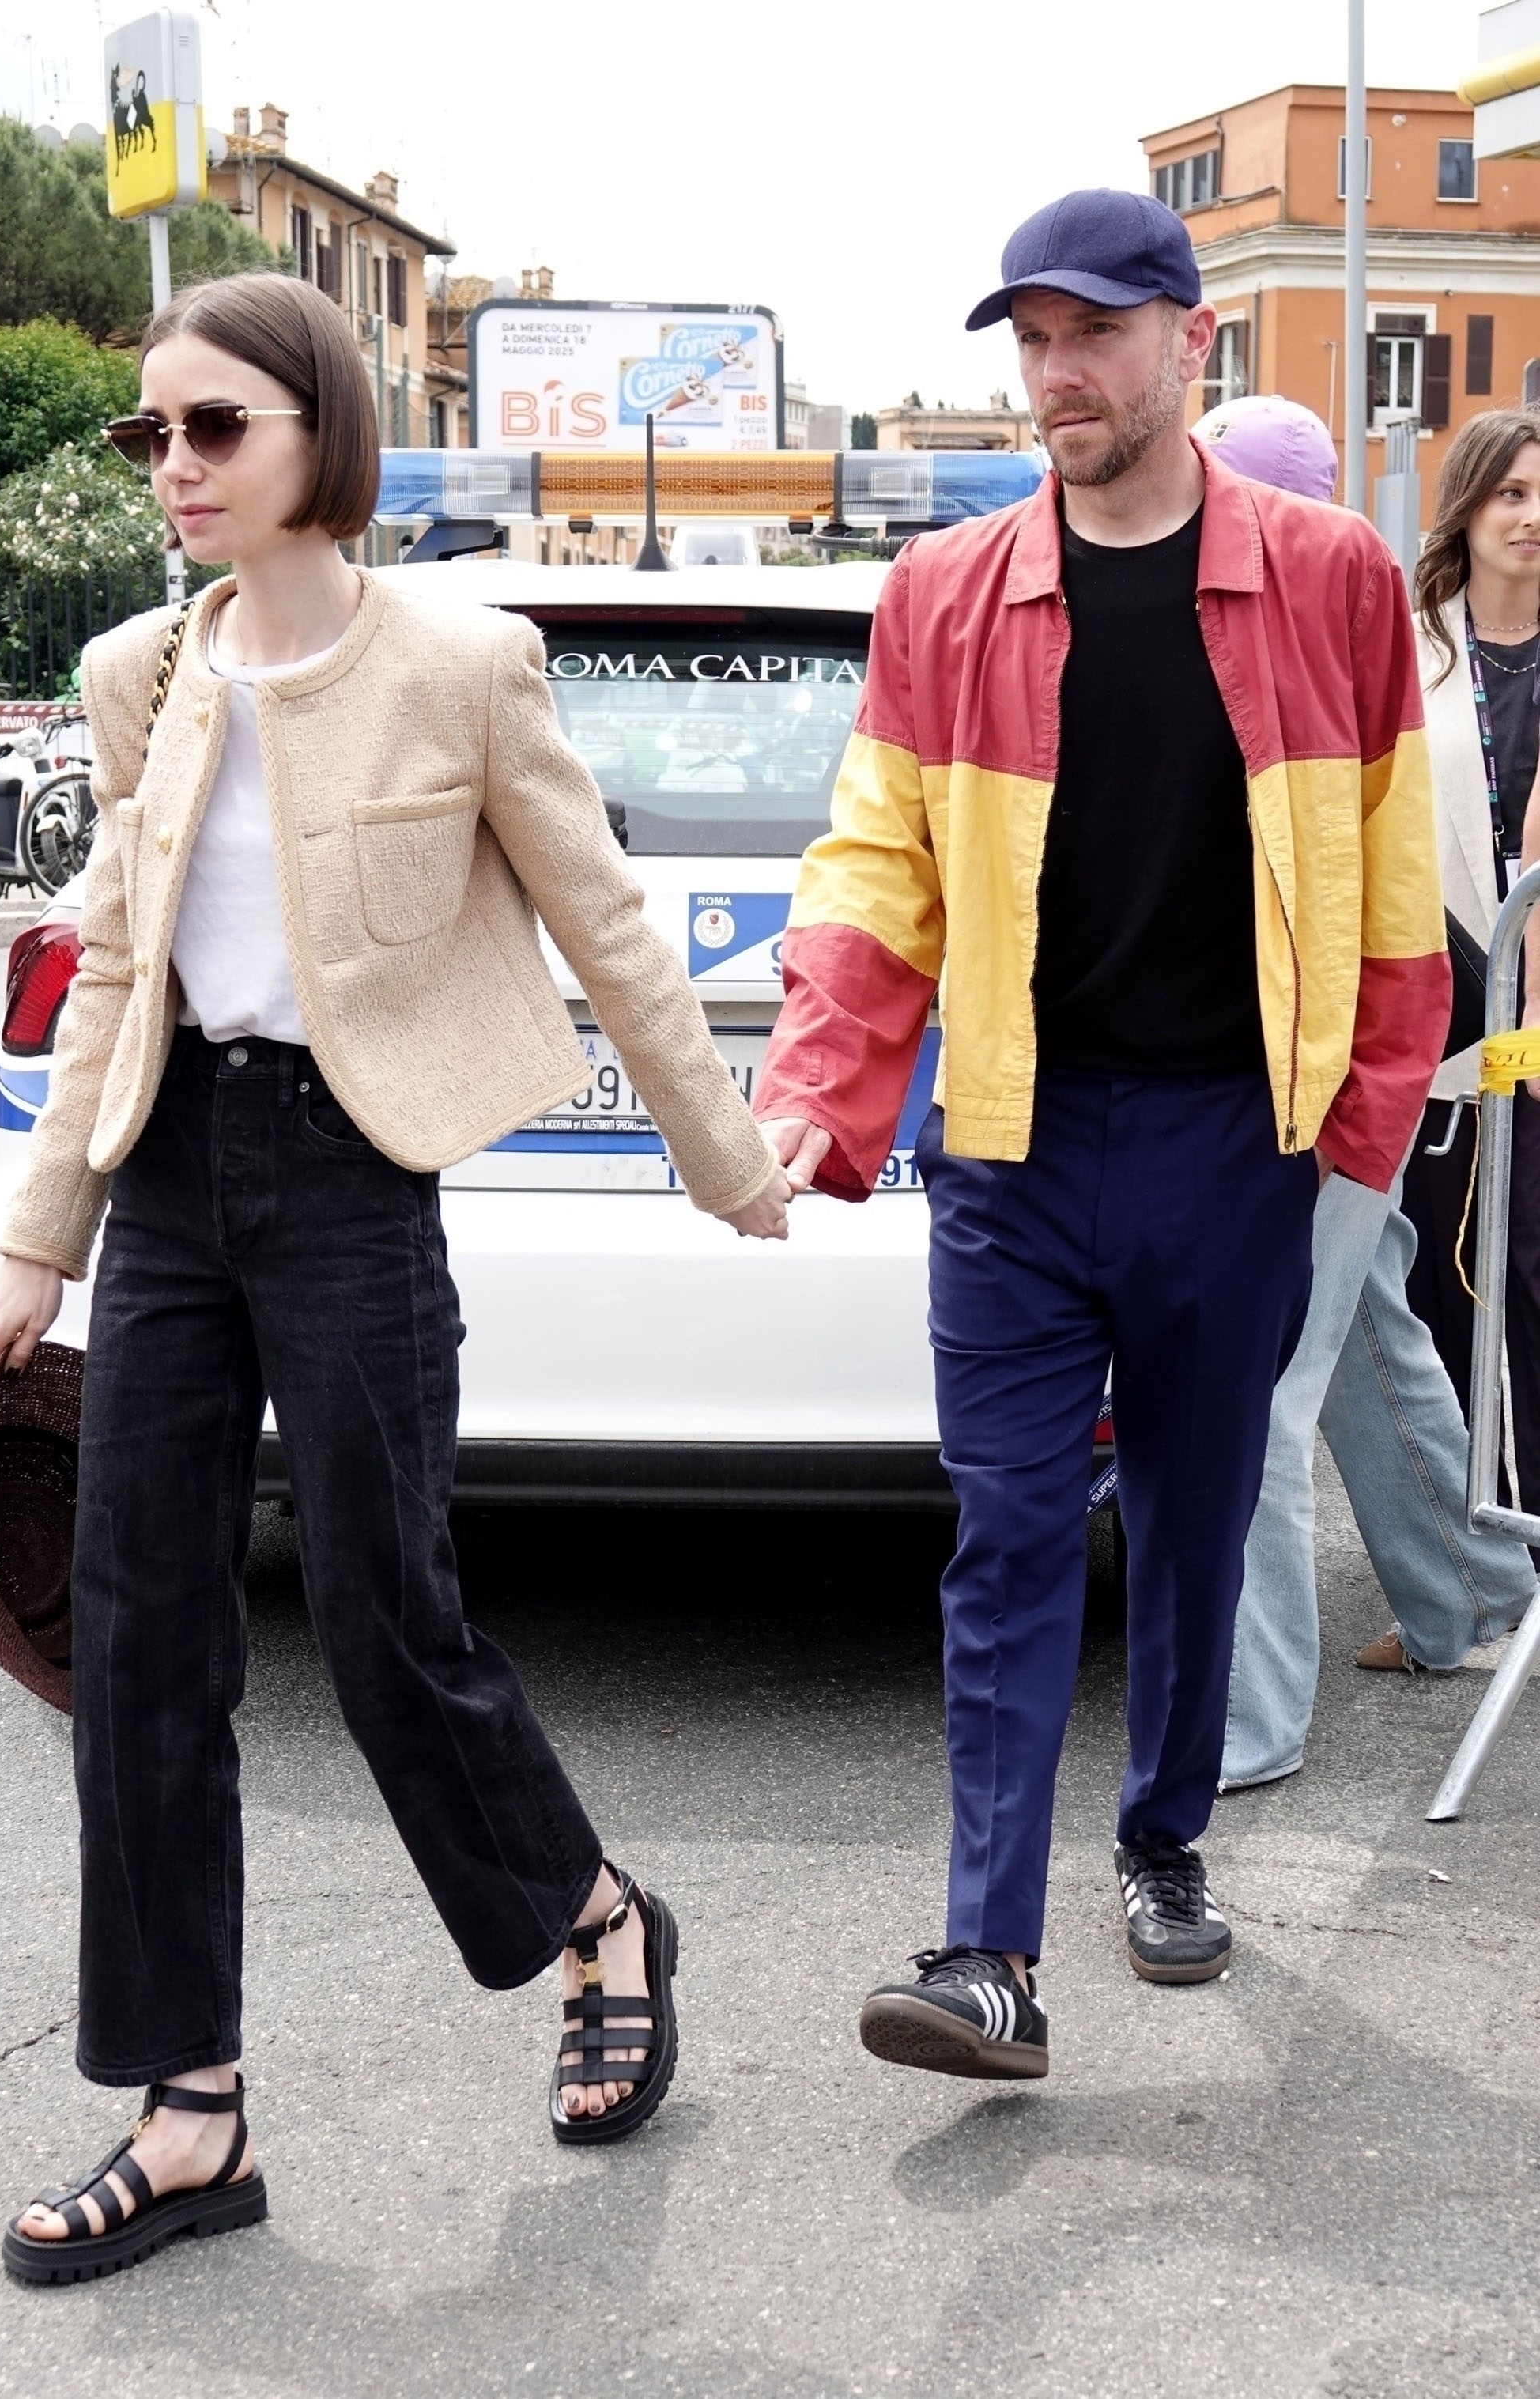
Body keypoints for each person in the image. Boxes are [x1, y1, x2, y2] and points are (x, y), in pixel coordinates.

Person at [0, 272, 791, 2283]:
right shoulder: (136, 673)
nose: (172, 467)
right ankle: (188, 2111)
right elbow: (109, 963)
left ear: (318, 433)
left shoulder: (461, 663)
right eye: (146, 436)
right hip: (167, 1181)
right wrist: (32, 1245)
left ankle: (593, 1912)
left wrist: (726, 1154)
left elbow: (604, 922)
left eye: (211, 429)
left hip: (350, 1180)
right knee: (144, 1636)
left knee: (379, 1614)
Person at [753, 190, 1451, 2082]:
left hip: (1235, 1144)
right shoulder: (944, 592)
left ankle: (1160, 1833)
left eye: (1090, 336)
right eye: (1029, 342)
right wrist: (816, 1089)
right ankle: (985, 1949)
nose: (1054, 375)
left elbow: (1394, 872)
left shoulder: (1327, 579)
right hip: (1010, 1142)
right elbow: (873, 863)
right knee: (999, 1536)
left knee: (1196, 1518)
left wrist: (1365, 1127)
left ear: (1184, 345)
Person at [1187, 399, 1538, 1790]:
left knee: (1263, 1385)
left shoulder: (1318, 640)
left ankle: (1248, 1721)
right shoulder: (1352, 629)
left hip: (1328, 1075)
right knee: (1369, 1346)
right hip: (1329, 1074)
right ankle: (1473, 1590)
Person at [1401, 410, 1540, 1531]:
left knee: (1534, 1282)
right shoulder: (1409, 643)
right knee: (1441, 1293)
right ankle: (1462, 1554)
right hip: (1441, 1019)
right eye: (1511, 493)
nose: (1532, 517)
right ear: (1469, 504)